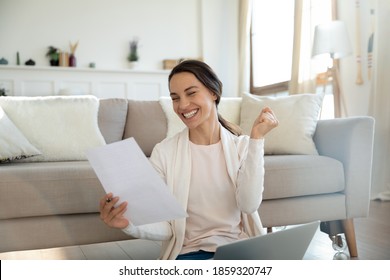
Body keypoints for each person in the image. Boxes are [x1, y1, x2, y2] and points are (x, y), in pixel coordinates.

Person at [99, 60, 278, 260]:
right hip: (191, 254)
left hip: (239, 250)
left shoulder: (243, 146)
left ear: (213, 92)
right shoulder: (164, 152)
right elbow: (167, 227)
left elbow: (249, 204)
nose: (183, 105)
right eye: (175, 98)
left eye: (191, 93)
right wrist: (129, 224)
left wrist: (257, 140)